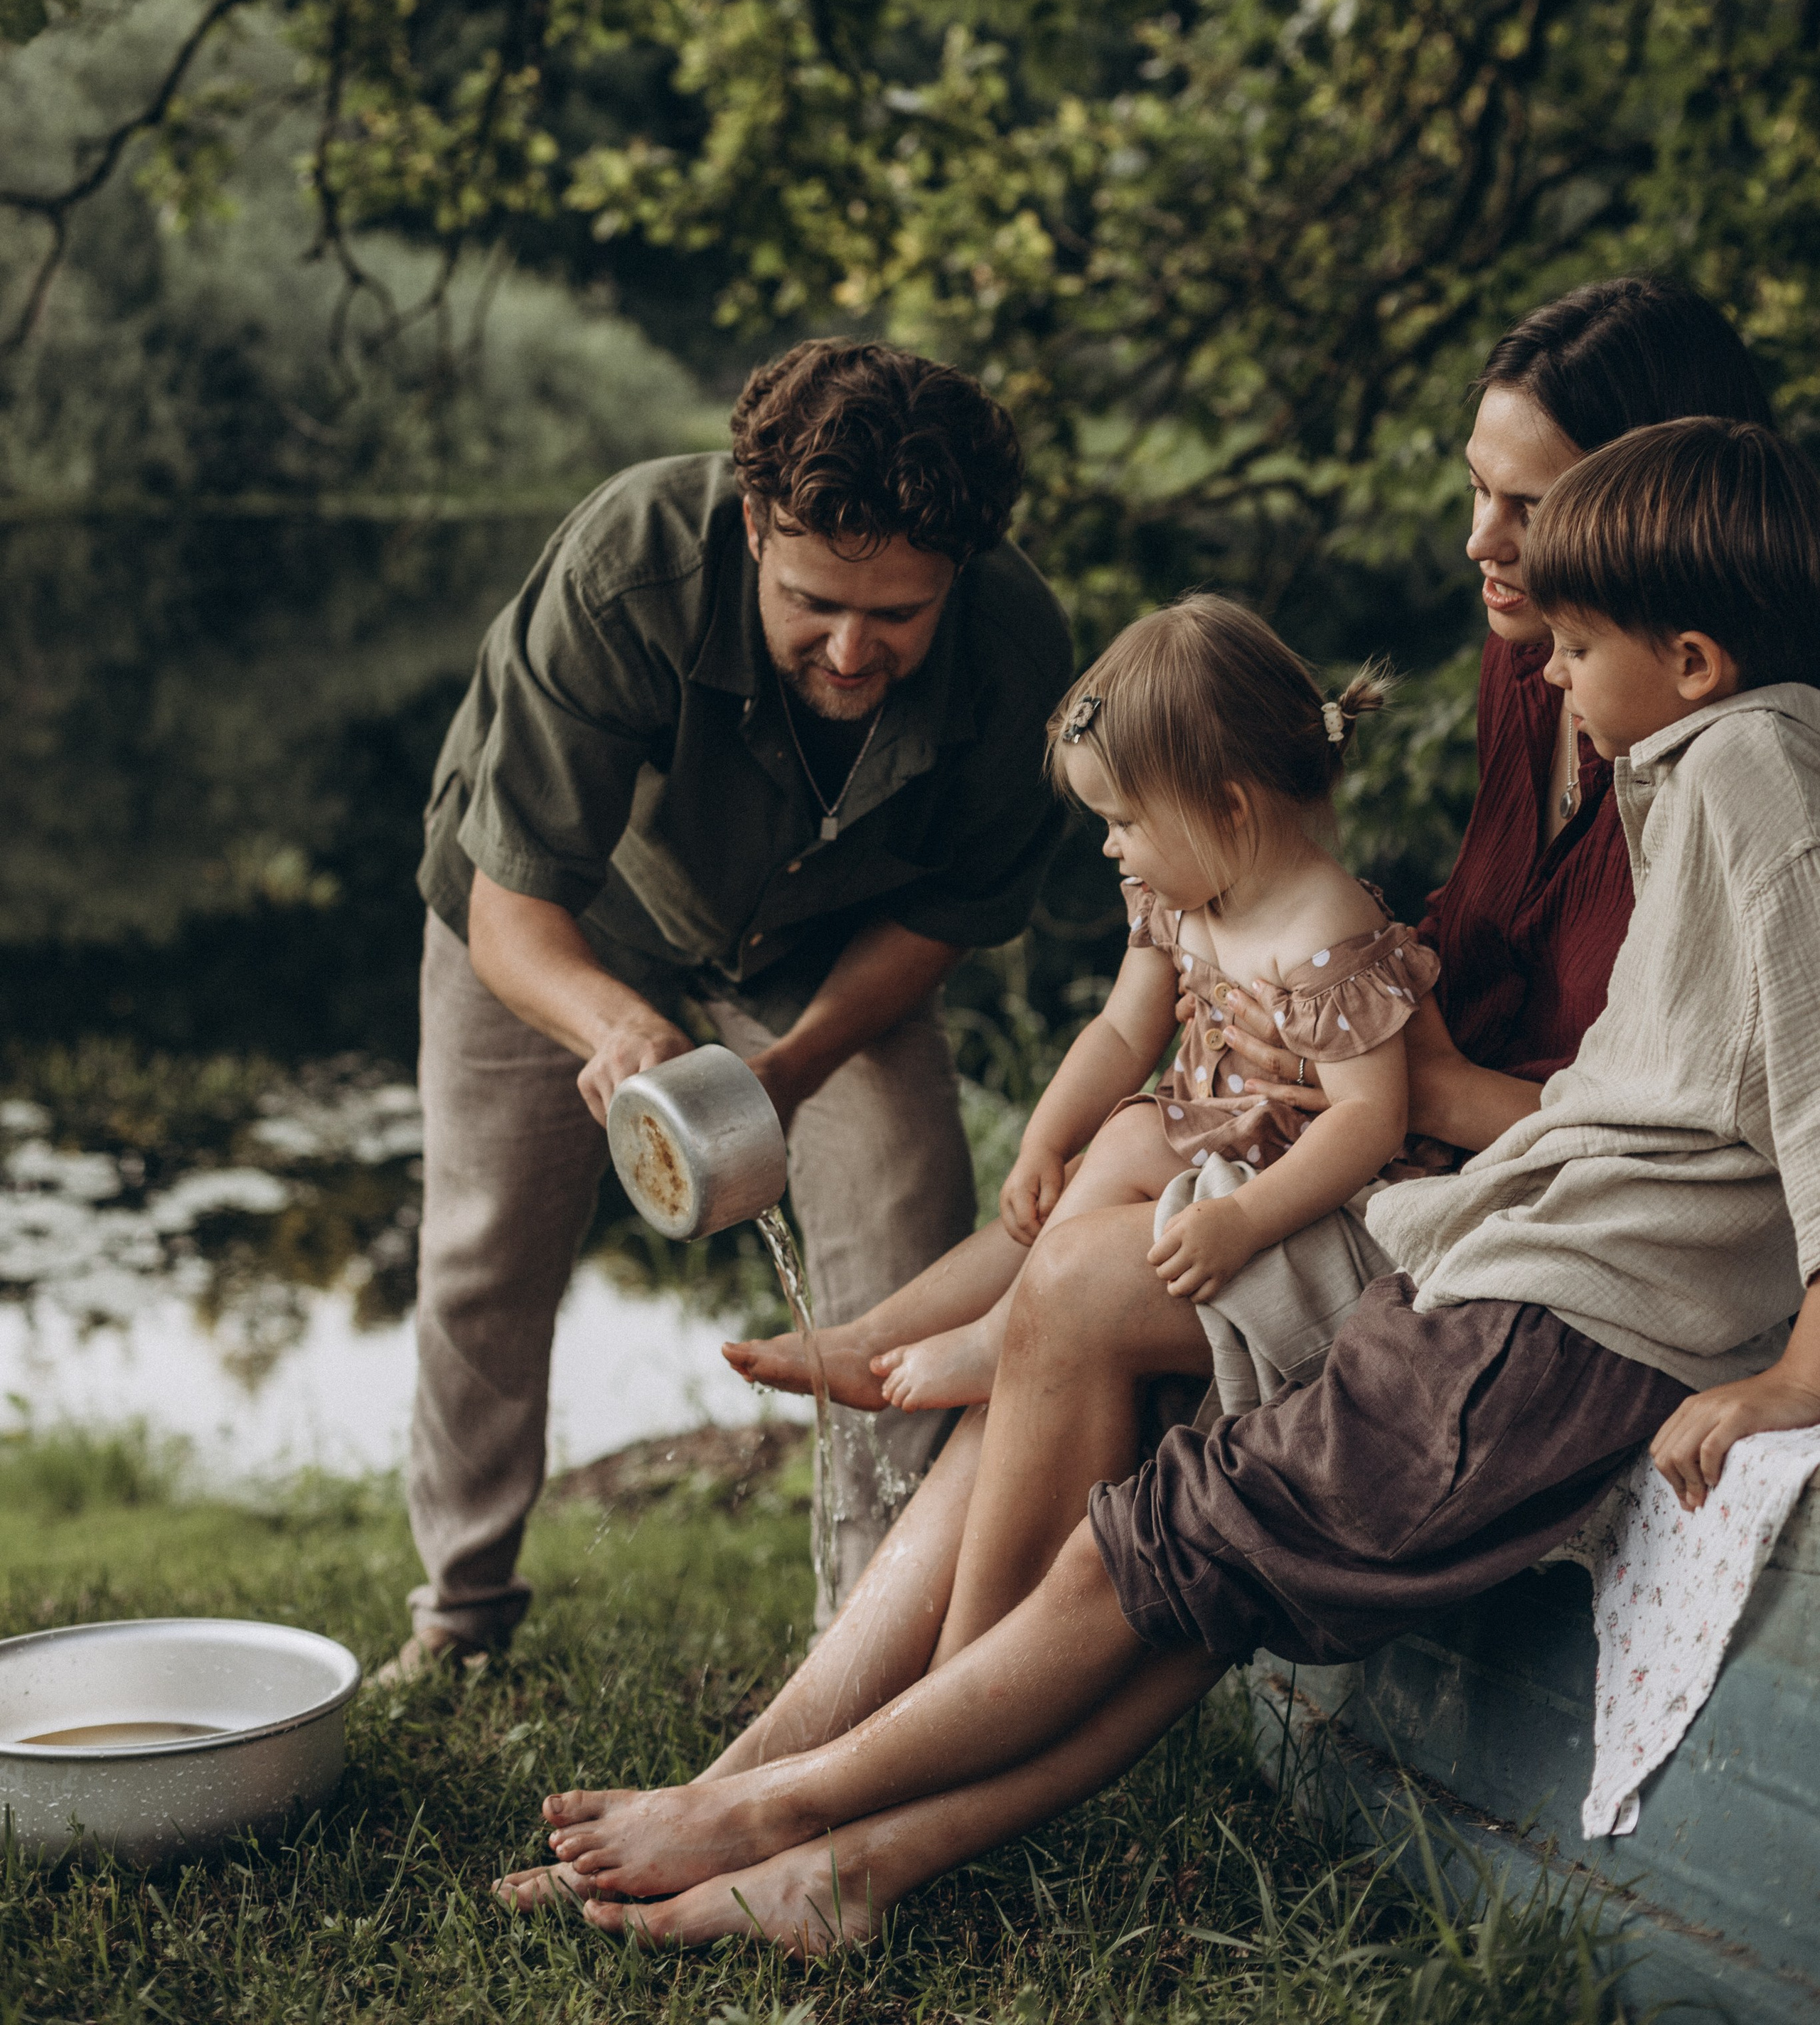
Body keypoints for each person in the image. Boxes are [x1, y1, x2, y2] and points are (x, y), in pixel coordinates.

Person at [499, 413, 1820, 1949]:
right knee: (1183, 1551)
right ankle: (838, 1861)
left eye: (1577, 645)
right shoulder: (1702, 765)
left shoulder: (1751, 774)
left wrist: (1794, 1365)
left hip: (1571, 1303)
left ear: (1693, 655)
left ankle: (781, 1810)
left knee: (1177, 1541)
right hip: (1515, 1251)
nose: (1543, 672)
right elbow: (1655, 1095)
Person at [724, 274, 1776, 1425]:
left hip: (1520, 1212)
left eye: (1527, 507)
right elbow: (1457, 965)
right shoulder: (1532, 667)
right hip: (1385, 1132)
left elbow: (1676, 1130)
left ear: (1645, 510)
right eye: (1476, 490)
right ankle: (888, 1358)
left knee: (1084, 1291)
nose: (1482, 540)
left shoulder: (1732, 775)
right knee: (1108, 1181)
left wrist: (1383, 1053)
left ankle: (936, 1367)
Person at [395, 338, 1074, 1671]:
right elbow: (506, 911)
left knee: (910, 1252)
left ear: (963, 574)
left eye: (898, 616)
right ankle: (460, 1617)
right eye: (818, 600)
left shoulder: (1015, 645)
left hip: (827, 954)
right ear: (758, 522)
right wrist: (619, 1028)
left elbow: (948, 910)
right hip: (570, 922)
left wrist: (801, 1061)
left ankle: (866, 1640)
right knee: (485, 1249)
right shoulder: (629, 565)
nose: (852, 646)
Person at [862, 598, 1433, 1418]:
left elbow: (1368, 1120)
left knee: (1132, 1133)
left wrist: (1238, 1220)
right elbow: (1123, 1028)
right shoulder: (1181, 896)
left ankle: (998, 1336)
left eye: (1123, 821)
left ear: (1226, 808)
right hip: (1217, 1146)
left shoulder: (1325, 931)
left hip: (1308, 1185)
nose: (1109, 845)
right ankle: (990, 1329)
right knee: (1118, 1136)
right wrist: (1045, 1137)